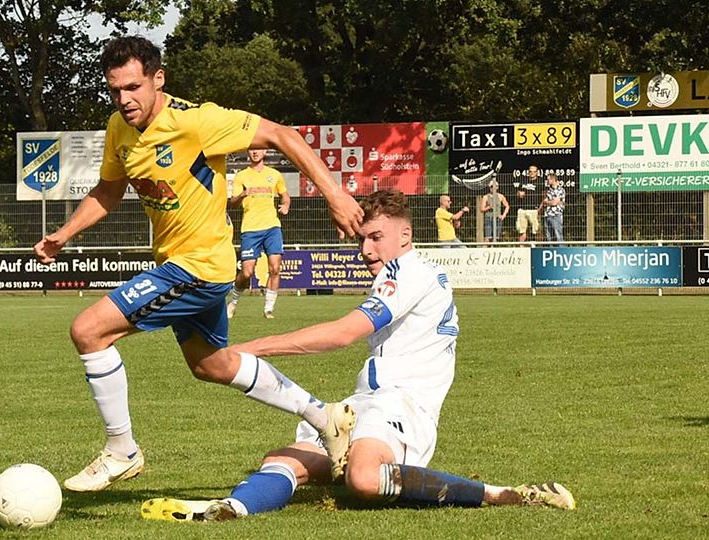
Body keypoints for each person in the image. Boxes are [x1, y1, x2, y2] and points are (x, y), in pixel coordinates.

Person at [33, 36, 363, 492]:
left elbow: (283, 135)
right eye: (115, 91)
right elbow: (108, 192)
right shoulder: (119, 128)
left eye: (133, 87)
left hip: (200, 266)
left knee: (89, 330)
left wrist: (335, 193)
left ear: (158, 79)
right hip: (180, 263)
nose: (124, 100)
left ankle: (121, 449)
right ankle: (322, 416)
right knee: (212, 365)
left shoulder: (197, 120)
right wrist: (64, 235)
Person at [140, 189, 576, 522]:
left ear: (405, 235)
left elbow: (343, 334)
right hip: (363, 403)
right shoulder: (404, 272)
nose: (366, 249)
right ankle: (230, 509)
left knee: (365, 480)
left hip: (402, 406)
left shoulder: (410, 272)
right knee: (281, 460)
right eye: (362, 239)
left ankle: (499, 493)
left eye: (376, 238)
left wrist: (247, 349)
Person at [226, 148, 290, 319]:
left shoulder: (274, 174)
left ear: (265, 152)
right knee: (247, 272)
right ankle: (233, 302)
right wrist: (242, 194)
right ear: (248, 153)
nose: (255, 152)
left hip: (272, 227)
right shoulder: (241, 175)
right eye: (252, 150)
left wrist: (285, 206)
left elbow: (285, 196)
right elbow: (232, 202)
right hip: (250, 228)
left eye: (258, 149)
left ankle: (269, 309)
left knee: (275, 268)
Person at [514, 165, 542, 242]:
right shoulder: (523, 181)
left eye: (534, 171)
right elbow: (517, 192)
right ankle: (521, 248)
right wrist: (519, 194)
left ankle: (537, 248)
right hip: (522, 209)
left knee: (536, 230)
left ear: (537, 172)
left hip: (533, 209)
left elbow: (544, 196)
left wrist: (540, 207)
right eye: (530, 171)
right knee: (521, 231)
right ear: (528, 172)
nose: (532, 173)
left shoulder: (540, 182)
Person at [543, 173, 566, 242]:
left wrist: (549, 202)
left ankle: (561, 250)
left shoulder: (560, 190)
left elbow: (554, 202)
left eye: (548, 179)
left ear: (553, 180)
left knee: (558, 234)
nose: (547, 181)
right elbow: (544, 202)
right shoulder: (548, 190)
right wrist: (550, 202)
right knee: (548, 236)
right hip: (547, 214)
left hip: (556, 215)